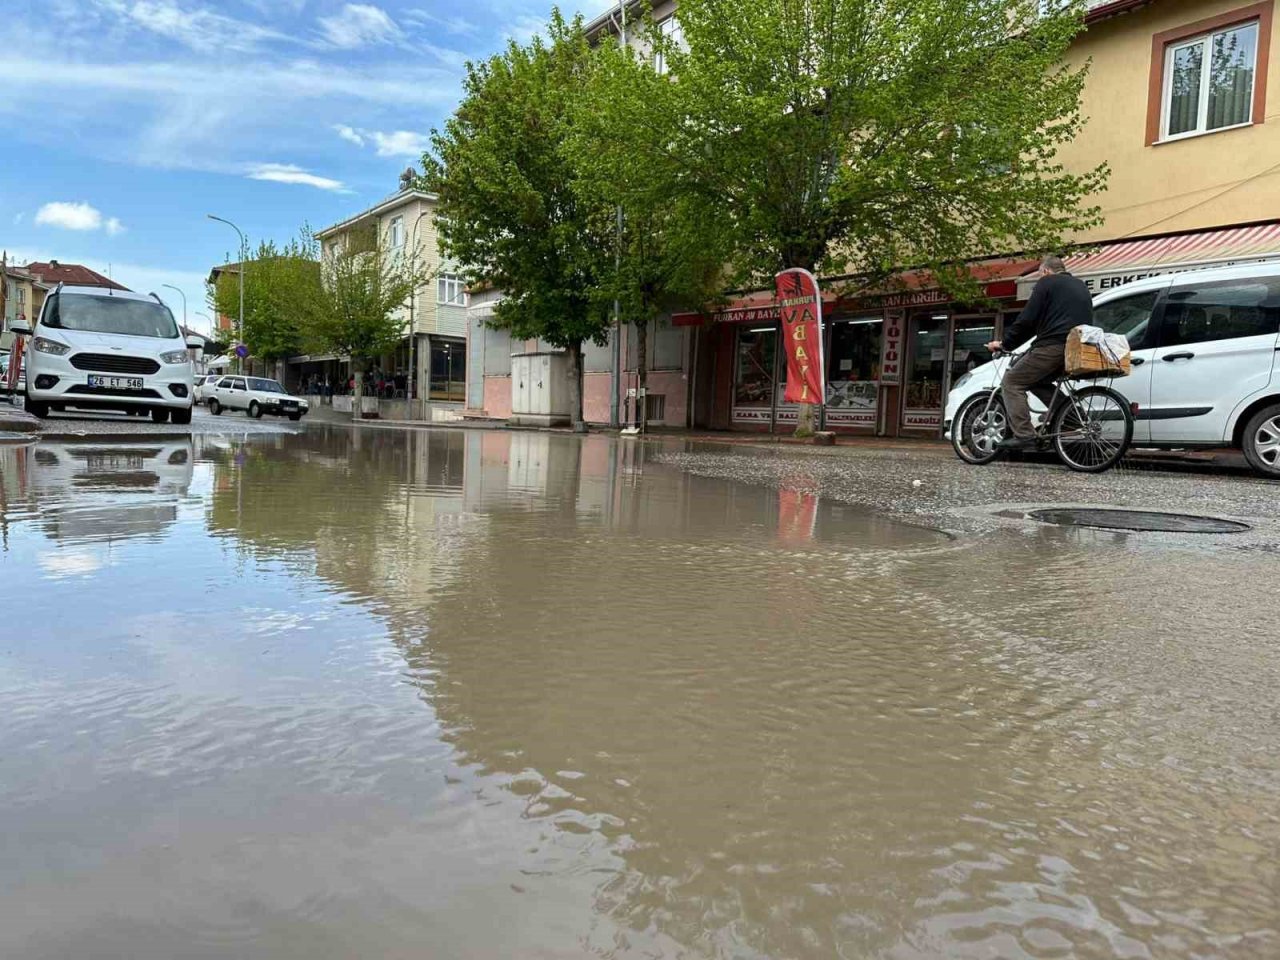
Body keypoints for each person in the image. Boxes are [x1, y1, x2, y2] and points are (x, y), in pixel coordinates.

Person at [986, 255, 1092, 450]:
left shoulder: (1047, 283)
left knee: (1011, 382)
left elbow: (1028, 319)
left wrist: (1005, 343)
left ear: (1045, 271)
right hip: (1076, 349)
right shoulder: (1080, 285)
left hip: (1052, 346)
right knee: (1037, 381)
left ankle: (1024, 435)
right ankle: (1070, 418)